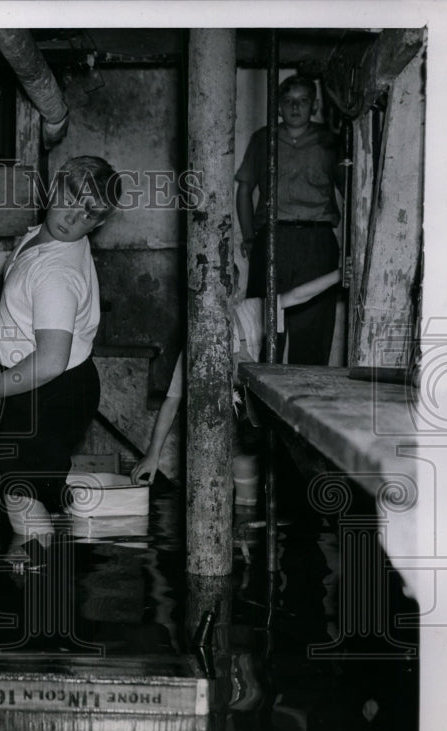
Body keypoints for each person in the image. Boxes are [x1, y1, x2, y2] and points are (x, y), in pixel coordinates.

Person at [0, 156, 121, 539]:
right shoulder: (42, 236)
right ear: (55, 185)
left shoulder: (55, 273)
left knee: (20, 493)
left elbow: (49, 361)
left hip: (51, 386)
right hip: (54, 383)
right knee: (31, 486)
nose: (71, 218)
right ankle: (48, 571)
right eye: (70, 198)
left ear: (100, 223)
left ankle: (40, 585)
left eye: (88, 214)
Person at [130, 268, 342, 487]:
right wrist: (152, 455)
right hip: (217, 423)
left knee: (265, 473)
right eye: (211, 289)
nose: (219, 297)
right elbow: (172, 400)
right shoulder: (196, 338)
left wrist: (340, 275)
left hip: (252, 417)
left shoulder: (251, 311)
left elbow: (297, 295)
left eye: (226, 288)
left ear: (237, 290)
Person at [236, 74, 343, 365]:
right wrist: (248, 236)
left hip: (317, 243)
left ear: (315, 105)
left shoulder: (329, 140)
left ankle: (301, 406)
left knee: (312, 332)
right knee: (264, 330)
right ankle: (257, 408)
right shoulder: (263, 138)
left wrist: (351, 247)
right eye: (288, 101)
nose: (296, 107)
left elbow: (353, 189)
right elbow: (245, 189)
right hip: (273, 240)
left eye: (303, 100)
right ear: (279, 107)